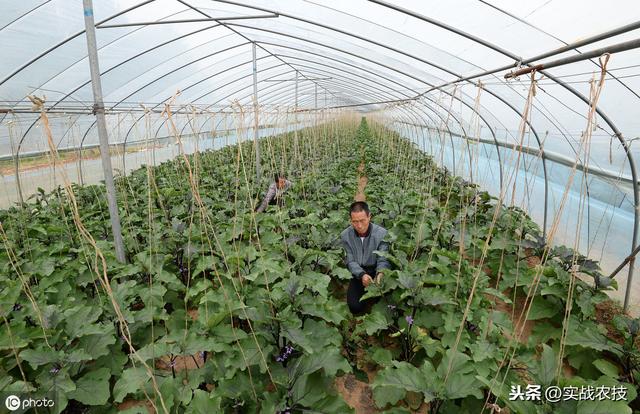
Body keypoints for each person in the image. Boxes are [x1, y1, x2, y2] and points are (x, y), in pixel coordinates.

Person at [341, 201, 390, 314]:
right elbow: (351, 260)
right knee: (354, 307)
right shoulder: (345, 235)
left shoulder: (382, 234)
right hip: (358, 273)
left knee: (385, 303)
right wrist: (361, 275)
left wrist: (380, 273)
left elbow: (383, 258)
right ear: (350, 220)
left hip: (376, 270)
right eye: (355, 222)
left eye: (362, 220)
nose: (359, 225)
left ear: (369, 217)